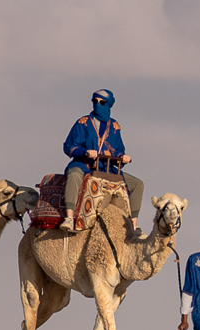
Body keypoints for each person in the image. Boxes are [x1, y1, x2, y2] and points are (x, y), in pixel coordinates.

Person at [59, 89, 143, 232]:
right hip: (84, 165)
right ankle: (69, 216)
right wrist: (84, 152)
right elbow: (69, 146)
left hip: (106, 168)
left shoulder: (115, 126)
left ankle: (133, 225)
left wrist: (123, 157)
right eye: (95, 101)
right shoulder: (83, 123)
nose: (98, 104)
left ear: (109, 105)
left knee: (137, 184)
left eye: (102, 102)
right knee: (74, 175)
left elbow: (117, 149)